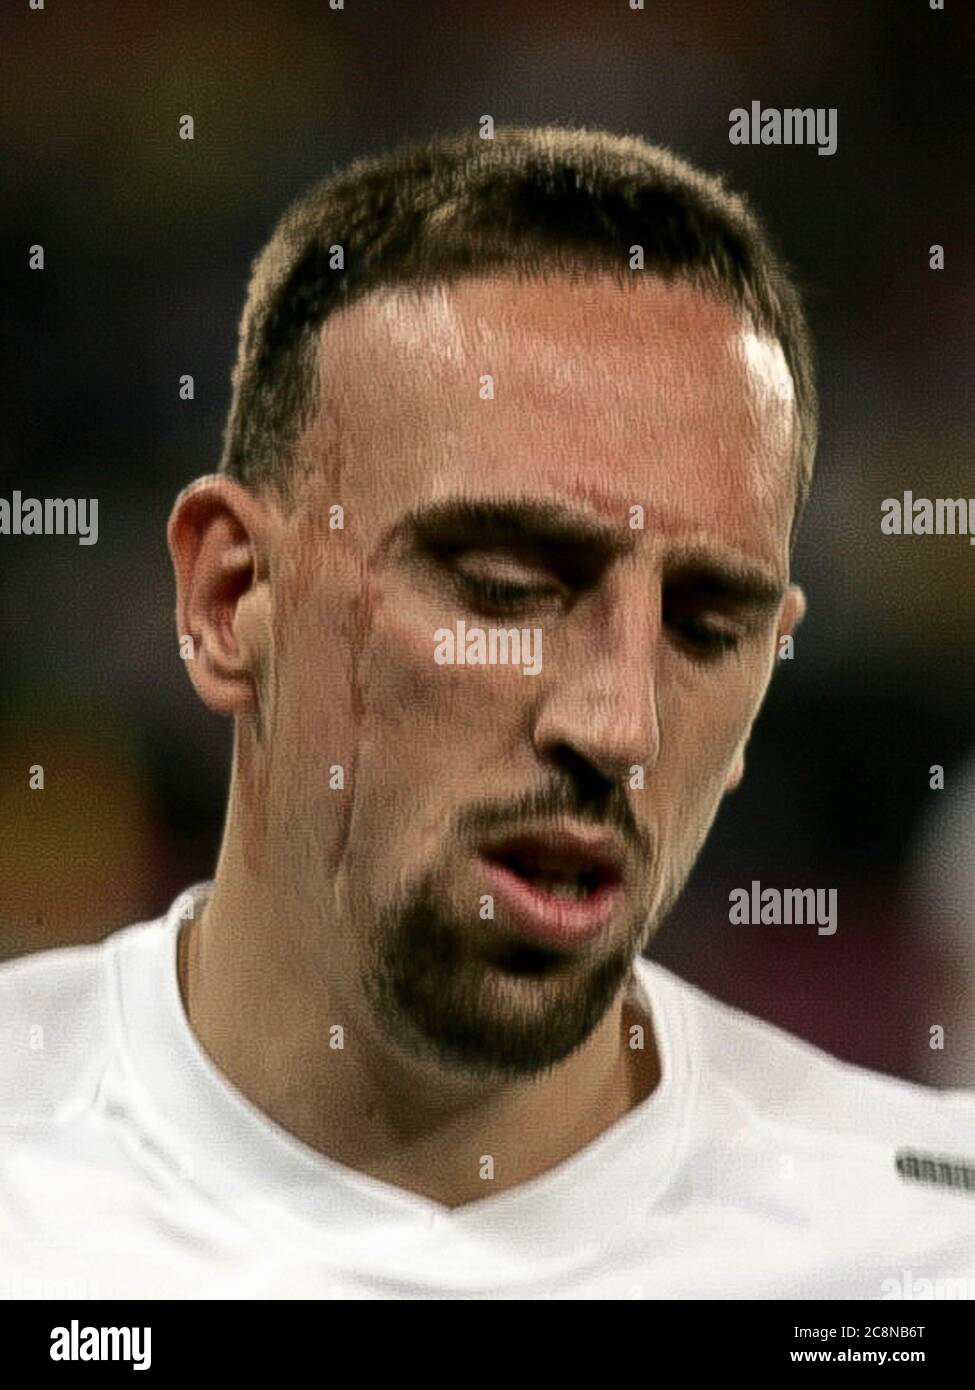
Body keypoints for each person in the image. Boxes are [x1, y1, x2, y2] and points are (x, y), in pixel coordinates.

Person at [2, 126, 972, 1300]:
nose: (620, 726)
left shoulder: (921, 1248)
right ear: (230, 596)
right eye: (508, 588)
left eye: (707, 625)